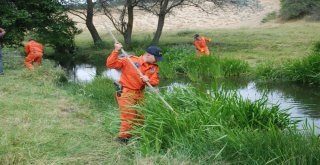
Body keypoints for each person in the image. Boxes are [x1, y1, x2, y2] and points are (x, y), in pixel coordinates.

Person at [106, 42, 162, 144]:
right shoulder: (130, 60)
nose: (158, 60)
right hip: (126, 92)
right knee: (129, 116)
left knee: (140, 117)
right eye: (157, 58)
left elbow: (155, 81)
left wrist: (148, 80)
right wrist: (116, 51)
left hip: (140, 94)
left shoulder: (154, 67)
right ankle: (123, 139)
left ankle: (138, 138)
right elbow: (110, 64)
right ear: (148, 55)